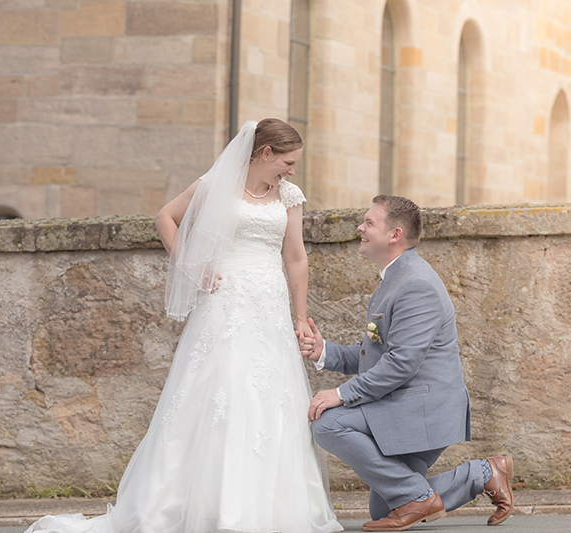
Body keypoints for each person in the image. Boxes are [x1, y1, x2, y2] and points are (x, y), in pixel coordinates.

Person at [25, 119, 342, 533]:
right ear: (265, 154)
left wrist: (300, 318)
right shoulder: (217, 184)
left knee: (272, 398)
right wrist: (190, 265)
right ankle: (208, 506)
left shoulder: (289, 196)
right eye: (287, 161)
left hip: (268, 307)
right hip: (224, 305)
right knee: (223, 392)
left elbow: (296, 257)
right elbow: (165, 218)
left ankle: (267, 507)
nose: (292, 170)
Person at [298, 195, 514, 531]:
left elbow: (401, 364)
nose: (361, 227)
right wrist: (324, 351)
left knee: (327, 422)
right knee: (383, 507)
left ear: (394, 234)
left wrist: (339, 394)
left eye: (369, 223)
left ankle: (419, 497)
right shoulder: (394, 278)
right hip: (405, 405)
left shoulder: (415, 283)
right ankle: (484, 473)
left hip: (422, 410)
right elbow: (377, 354)